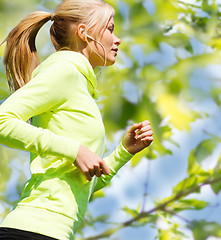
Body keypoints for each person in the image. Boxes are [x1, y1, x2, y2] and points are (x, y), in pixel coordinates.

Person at [0, 0, 153, 239]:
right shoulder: (65, 71)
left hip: (54, 232)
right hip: (32, 229)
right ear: (83, 33)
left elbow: (81, 184)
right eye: (110, 29)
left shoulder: (79, 84)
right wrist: (74, 150)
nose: (118, 39)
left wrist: (124, 152)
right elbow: (3, 121)